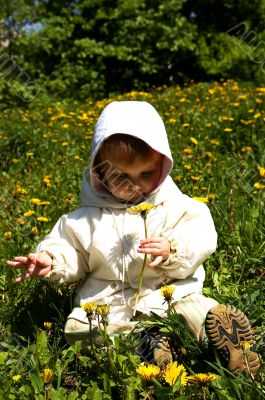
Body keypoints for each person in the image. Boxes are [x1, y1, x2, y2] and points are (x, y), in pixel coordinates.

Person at [7, 101, 260, 376]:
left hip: (169, 292)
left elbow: (200, 237)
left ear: (162, 166)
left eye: (146, 174)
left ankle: (222, 342)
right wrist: (52, 260)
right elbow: (71, 248)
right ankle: (147, 344)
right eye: (121, 176)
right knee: (80, 328)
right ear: (100, 172)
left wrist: (173, 250)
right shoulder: (85, 217)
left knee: (195, 309)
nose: (134, 184)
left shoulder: (177, 207)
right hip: (109, 302)